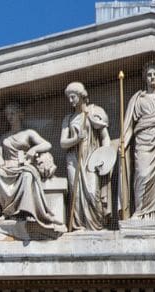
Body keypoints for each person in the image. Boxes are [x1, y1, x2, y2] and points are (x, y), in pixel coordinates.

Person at [122, 59, 155, 220]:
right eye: (148, 75)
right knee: (142, 174)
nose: (152, 77)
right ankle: (140, 211)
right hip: (143, 140)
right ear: (144, 78)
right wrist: (123, 142)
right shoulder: (138, 99)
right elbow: (129, 125)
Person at [60, 81, 114, 229]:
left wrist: (105, 156)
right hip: (73, 160)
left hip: (91, 158)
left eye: (73, 97)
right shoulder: (68, 119)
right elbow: (62, 143)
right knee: (75, 194)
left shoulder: (94, 112)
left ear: (81, 96)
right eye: (69, 98)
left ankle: (97, 226)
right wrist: (76, 139)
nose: (70, 101)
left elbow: (105, 136)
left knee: (91, 192)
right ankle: (78, 226)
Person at [0, 129, 64, 228]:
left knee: (27, 174)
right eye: (8, 113)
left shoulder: (28, 133)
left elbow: (47, 144)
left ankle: (27, 211)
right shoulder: (4, 137)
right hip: (7, 166)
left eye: (13, 113)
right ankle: (8, 211)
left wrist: (34, 149)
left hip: (24, 165)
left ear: (21, 114)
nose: (10, 116)